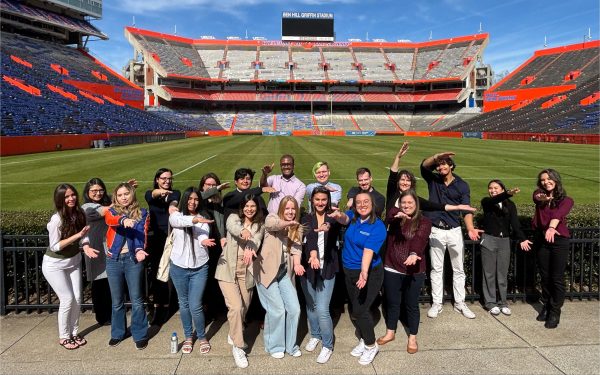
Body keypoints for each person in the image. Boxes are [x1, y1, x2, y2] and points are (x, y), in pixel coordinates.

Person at [329, 191, 386, 365]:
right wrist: (338, 215)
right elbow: (344, 220)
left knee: (359, 310)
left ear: (373, 204)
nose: (362, 205)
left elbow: (368, 252)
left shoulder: (377, 226)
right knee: (357, 307)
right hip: (349, 270)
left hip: (368, 272)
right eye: (358, 202)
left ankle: (370, 345)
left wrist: (364, 272)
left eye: (366, 202)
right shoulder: (353, 216)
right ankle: (364, 338)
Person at [420, 152, 478, 319]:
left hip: (454, 230)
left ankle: (460, 302)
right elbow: (424, 166)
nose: (441, 167)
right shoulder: (433, 179)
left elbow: (466, 209)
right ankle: (437, 303)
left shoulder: (462, 185)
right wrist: (436, 156)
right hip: (436, 229)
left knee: (458, 268)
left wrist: (471, 228)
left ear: (451, 166)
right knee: (436, 269)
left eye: (445, 164)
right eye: (439, 165)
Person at [377, 190, 432, 354]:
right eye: (404, 203)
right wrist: (397, 216)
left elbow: (419, 239)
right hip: (392, 267)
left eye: (410, 203)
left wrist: (414, 253)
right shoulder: (395, 218)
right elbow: (389, 216)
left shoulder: (424, 222)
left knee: (411, 305)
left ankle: (413, 337)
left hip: (414, 270)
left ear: (416, 205)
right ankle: (390, 332)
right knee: (392, 302)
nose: (407, 206)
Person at [43, 184, 97, 350]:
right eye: (66, 196)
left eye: (73, 195)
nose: (71, 198)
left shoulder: (80, 213)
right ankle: (64, 336)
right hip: (55, 265)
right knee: (67, 299)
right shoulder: (57, 219)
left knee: (77, 299)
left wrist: (86, 245)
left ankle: (74, 333)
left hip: (73, 261)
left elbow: (84, 235)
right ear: (60, 199)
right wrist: (78, 236)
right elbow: (55, 246)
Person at [216, 195, 265, 368]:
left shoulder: (259, 225)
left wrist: (251, 247)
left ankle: (233, 331)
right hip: (227, 271)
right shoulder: (233, 218)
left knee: (242, 309)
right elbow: (233, 227)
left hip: (247, 272)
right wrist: (243, 231)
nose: (249, 209)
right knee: (236, 307)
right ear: (242, 207)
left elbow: (257, 239)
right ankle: (238, 346)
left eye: (253, 206)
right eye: (247, 206)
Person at [252, 196, 303, 359]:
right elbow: (272, 225)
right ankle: (274, 346)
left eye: (293, 208)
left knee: (295, 309)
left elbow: (296, 249)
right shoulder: (272, 217)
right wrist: (288, 224)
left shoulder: (297, 227)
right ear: (282, 209)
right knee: (277, 310)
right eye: (287, 208)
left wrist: (297, 264)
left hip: (283, 274)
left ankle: (291, 346)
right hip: (265, 273)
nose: (290, 211)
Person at [168, 187, 216, 354]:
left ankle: (202, 336)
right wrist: (194, 220)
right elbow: (177, 222)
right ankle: (189, 336)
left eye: (196, 199)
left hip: (199, 267)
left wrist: (203, 241)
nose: (193, 202)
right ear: (185, 200)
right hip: (178, 267)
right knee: (184, 303)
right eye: (190, 199)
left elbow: (203, 234)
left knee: (195, 304)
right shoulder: (176, 215)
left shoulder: (204, 218)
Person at [105, 182, 150, 350]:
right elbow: (111, 219)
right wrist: (123, 220)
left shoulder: (142, 212)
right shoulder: (112, 211)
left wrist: (139, 250)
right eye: (120, 195)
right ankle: (118, 333)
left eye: (126, 194)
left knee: (137, 300)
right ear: (116, 197)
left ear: (132, 194)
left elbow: (141, 234)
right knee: (117, 301)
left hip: (132, 260)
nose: (123, 197)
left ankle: (140, 334)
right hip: (113, 260)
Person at [299, 187, 341, 364]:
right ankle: (315, 334)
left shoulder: (333, 217)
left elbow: (335, 223)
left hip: (327, 268)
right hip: (310, 268)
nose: (321, 203)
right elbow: (311, 239)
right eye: (317, 199)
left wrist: (328, 226)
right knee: (311, 305)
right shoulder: (307, 218)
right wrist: (313, 255)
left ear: (328, 200)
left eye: (324, 199)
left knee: (322, 309)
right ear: (312, 200)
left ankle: (327, 345)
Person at [480, 180, 532, 316]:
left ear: (502, 189)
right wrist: (507, 194)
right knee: (489, 273)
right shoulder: (487, 202)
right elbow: (495, 200)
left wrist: (522, 238)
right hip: (489, 239)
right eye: (490, 188)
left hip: (505, 241)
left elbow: (515, 224)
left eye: (496, 188)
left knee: (502, 274)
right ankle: (490, 303)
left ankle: (503, 302)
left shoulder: (510, 205)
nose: (492, 190)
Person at [531, 169, 574, 329]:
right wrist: (542, 197)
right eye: (542, 180)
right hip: (542, 239)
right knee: (545, 276)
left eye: (549, 179)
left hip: (559, 240)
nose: (546, 182)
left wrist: (551, 228)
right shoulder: (539, 195)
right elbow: (537, 197)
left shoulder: (567, 200)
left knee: (556, 278)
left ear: (556, 180)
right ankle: (547, 305)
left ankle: (555, 311)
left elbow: (558, 214)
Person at [386, 142, 476, 214]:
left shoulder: (415, 199)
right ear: (397, 182)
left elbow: (434, 206)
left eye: (408, 180)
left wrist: (457, 207)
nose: (405, 183)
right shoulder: (393, 193)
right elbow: (393, 174)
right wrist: (398, 157)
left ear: (412, 183)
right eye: (402, 180)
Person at [145, 168, 181, 325]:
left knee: (173, 272)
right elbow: (151, 195)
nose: (167, 181)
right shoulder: (150, 194)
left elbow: (174, 201)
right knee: (157, 273)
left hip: (172, 238)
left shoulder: (176, 193)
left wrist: (172, 205)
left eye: (169, 178)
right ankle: (158, 307)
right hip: (156, 239)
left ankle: (170, 304)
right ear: (157, 180)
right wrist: (160, 193)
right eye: (163, 178)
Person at [81, 178, 113, 326]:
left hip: (106, 246)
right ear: (88, 192)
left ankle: (109, 313)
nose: (98, 193)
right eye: (94, 191)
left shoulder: (104, 201)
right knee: (99, 282)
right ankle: (102, 316)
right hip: (94, 247)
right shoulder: (87, 207)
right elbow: (106, 210)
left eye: (100, 190)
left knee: (108, 282)